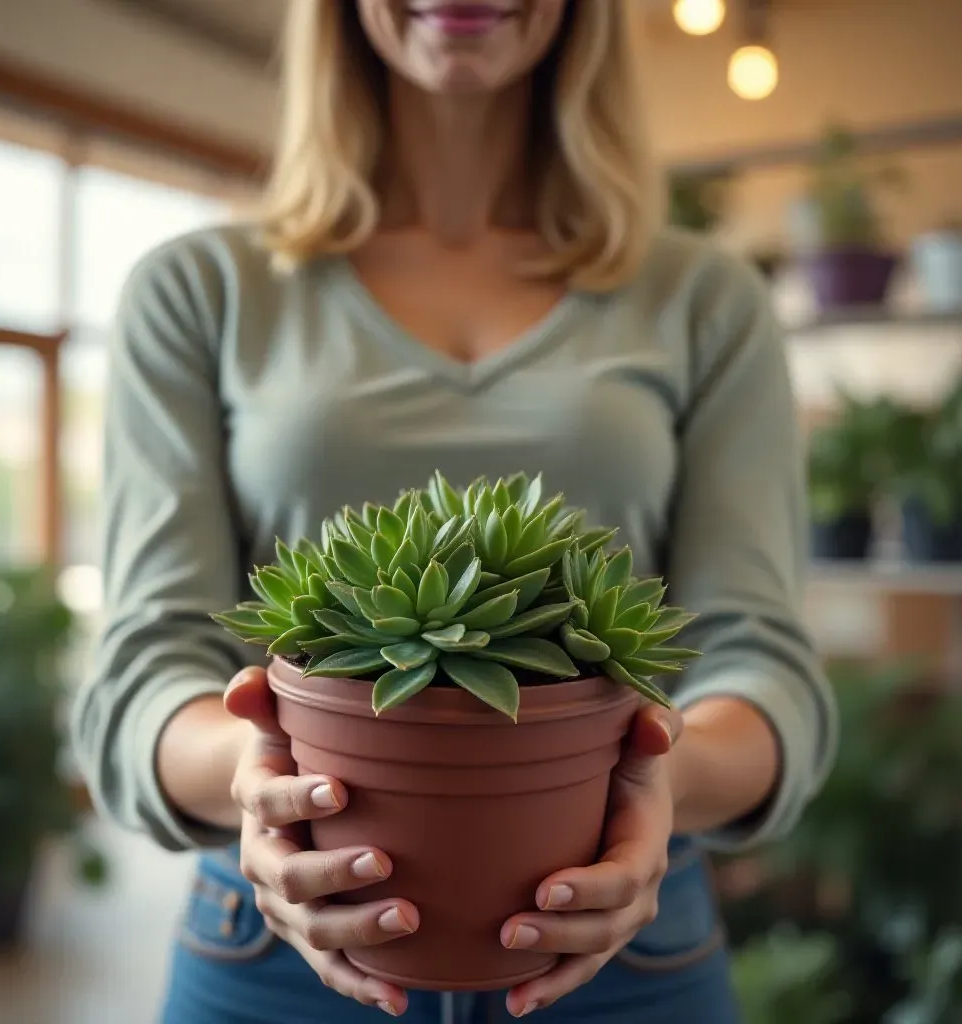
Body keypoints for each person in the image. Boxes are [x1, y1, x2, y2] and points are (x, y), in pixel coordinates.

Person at [71, 1, 838, 1021]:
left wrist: (655, 784)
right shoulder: (200, 289)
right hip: (276, 945)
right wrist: (259, 785)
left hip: (627, 946)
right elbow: (143, 670)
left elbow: (761, 663)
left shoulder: (704, 298)